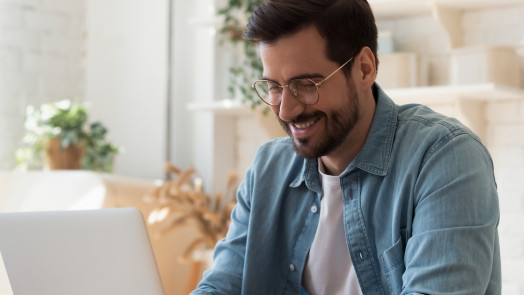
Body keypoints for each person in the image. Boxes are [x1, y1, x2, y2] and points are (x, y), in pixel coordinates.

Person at [192, 0, 501, 294]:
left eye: (306, 85)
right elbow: (222, 285)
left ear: (364, 69)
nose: (285, 112)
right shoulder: (268, 169)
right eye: (274, 87)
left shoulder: (445, 158)